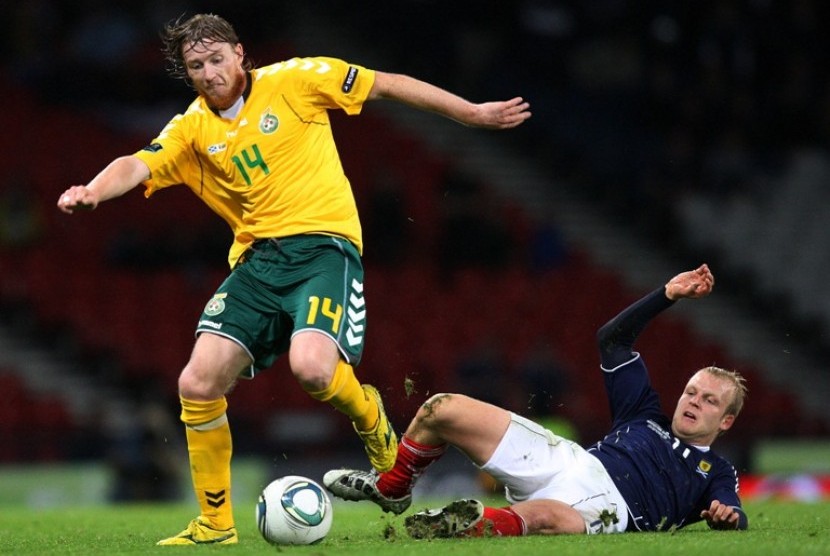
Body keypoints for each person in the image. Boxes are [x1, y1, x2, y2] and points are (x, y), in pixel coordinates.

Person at [56, 13, 531, 546]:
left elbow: (388, 85)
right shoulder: (192, 128)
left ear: (239, 53)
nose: (210, 73)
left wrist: (471, 113)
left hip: (324, 249)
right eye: (196, 66)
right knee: (196, 383)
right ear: (186, 73)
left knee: (311, 369)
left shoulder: (297, 79)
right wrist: (93, 190)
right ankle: (214, 524)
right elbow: (136, 163)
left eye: (216, 59)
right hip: (258, 263)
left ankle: (370, 414)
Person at [325, 264, 750, 537]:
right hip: (571, 461)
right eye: (691, 391)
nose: (693, 401)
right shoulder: (643, 414)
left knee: (544, 518)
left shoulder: (716, 471)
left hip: (611, 509)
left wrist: (725, 516)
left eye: (710, 401)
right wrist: (667, 296)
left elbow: (734, 513)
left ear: (726, 421)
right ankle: (394, 488)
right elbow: (613, 340)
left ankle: (461, 526)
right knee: (441, 407)